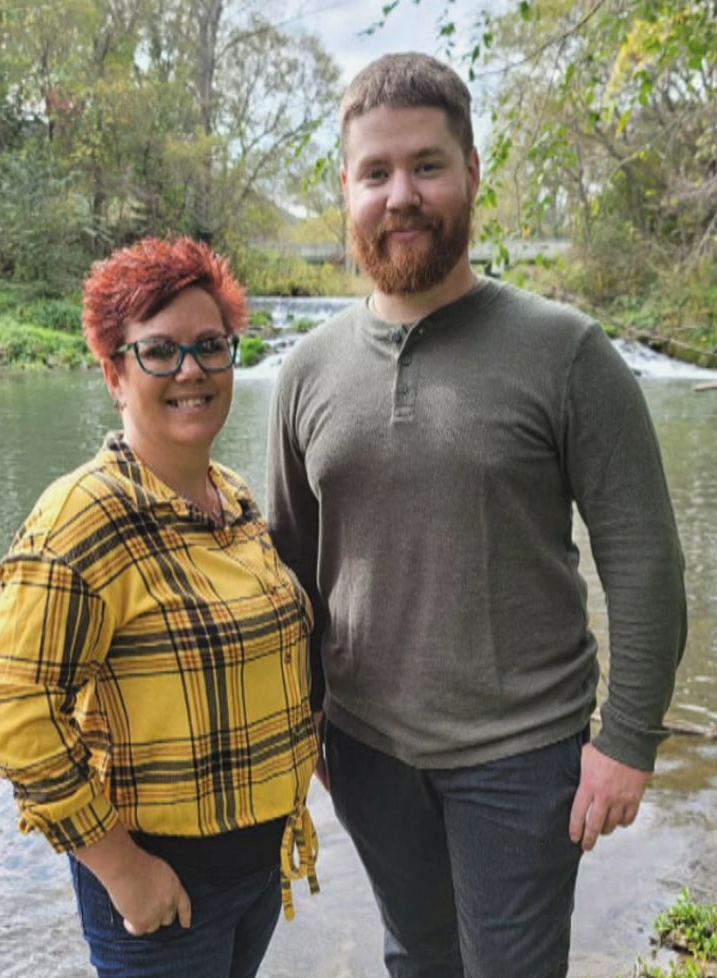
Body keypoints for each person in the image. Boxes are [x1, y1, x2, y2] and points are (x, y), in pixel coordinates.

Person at [266, 52, 688, 978]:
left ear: (472, 175)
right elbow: (289, 570)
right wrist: (304, 726)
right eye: (375, 172)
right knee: (415, 957)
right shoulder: (305, 372)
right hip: (367, 749)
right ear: (346, 188)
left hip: (524, 755)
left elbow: (645, 560)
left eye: (426, 165)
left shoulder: (566, 351)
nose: (400, 195)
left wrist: (627, 739)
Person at [0, 236, 320, 978]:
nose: (191, 370)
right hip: (162, 893)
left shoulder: (233, 496)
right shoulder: (82, 516)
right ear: (113, 372)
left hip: (256, 871)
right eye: (159, 350)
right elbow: (15, 711)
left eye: (209, 346)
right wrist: (121, 868)